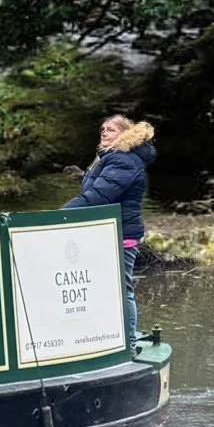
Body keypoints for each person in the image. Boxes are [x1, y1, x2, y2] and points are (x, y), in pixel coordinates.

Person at [63, 114, 156, 341]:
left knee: (123, 291)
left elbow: (100, 195)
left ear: (126, 135)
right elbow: (106, 183)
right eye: (103, 129)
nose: (104, 132)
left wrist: (61, 214)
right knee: (107, 288)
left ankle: (130, 343)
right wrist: (83, 176)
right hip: (107, 233)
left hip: (122, 234)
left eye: (111, 130)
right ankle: (109, 336)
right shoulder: (111, 157)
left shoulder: (122, 159)